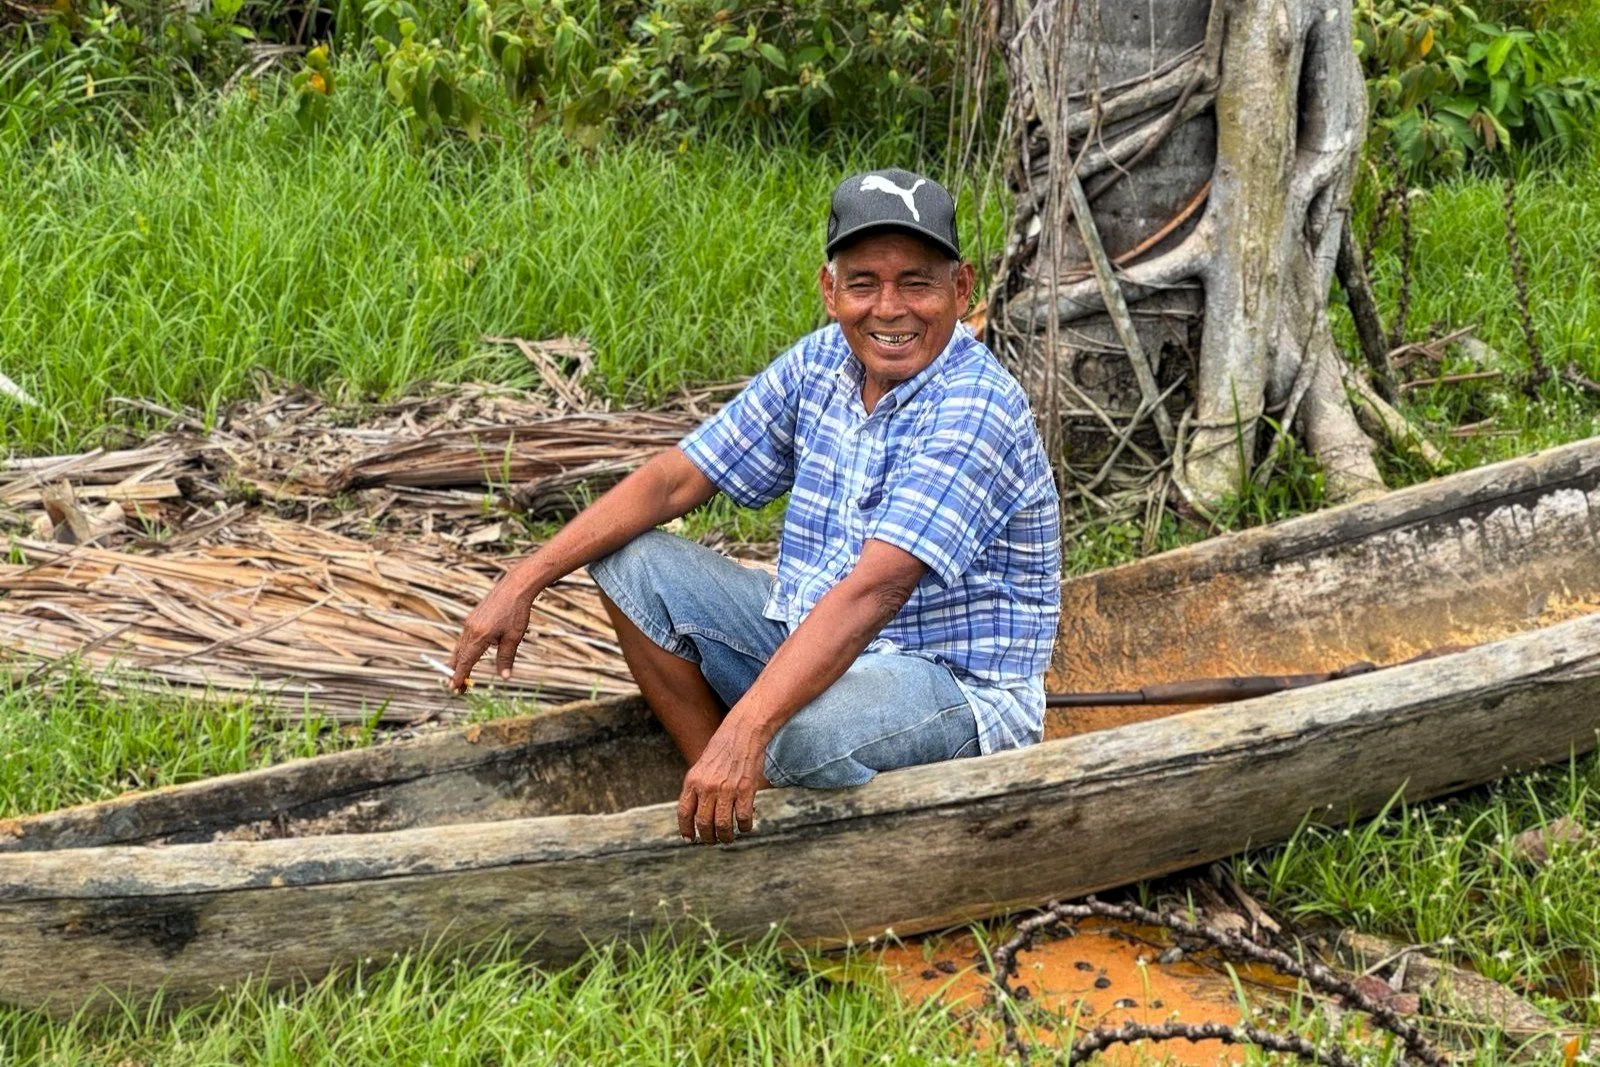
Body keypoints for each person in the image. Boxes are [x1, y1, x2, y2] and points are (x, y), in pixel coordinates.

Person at [448, 168, 1061, 845]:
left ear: (961, 289)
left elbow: (876, 591)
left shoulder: (975, 406)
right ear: (831, 291)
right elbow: (675, 480)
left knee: (800, 734)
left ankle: (742, 790)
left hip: (949, 684)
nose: (890, 309)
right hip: (813, 635)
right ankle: (725, 810)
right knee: (630, 562)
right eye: (864, 283)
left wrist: (746, 729)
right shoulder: (822, 364)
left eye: (916, 283)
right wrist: (523, 579)